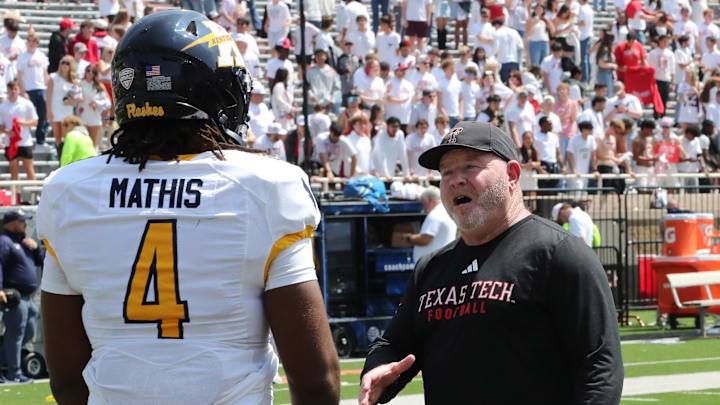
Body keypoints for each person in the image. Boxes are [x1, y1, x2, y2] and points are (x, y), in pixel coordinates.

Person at [38, 11, 340, 405]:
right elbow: (317, 380)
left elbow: (66, 380)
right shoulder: (267, 186)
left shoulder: (68, 191)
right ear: (212, 92)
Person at [359, 121, 623, 405]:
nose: (455, 179)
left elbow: (600, 368)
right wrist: (378, 368)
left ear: (512, 174)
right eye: (446, 172)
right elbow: (393, 344)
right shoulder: (431, 269)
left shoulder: (559, 254)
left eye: (471, 166)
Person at [0, 209, 44, 384]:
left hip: (29, 298)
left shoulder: (24, 242)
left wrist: (36, 249)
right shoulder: (4, 241)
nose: (25, 224)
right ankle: (14, 374)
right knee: (15, 335)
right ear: (12, 223)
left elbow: (41, 261)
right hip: (15, 297)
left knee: (28, 332)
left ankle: (6, 363)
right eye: (21, 221)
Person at [404, 186, 457, 263]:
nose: (424, 208)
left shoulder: (435, 214)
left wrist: (408, 238)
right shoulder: (446, 211)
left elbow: (425, 239)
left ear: (430, 200)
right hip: (442, 261)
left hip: (434, 264)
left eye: (424, 203)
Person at [0, 80, 38, 182]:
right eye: (11, 89)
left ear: (19, 90)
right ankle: (15, 196)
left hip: (25, 141)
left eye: (15, 89)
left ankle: (34, 195)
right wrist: (7, 131)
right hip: (10, 142)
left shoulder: (26, 103)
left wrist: (22, 124)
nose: (13, 91)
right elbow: (0, 126)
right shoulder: (3, 106)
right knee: (13, 170)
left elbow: (35, 121)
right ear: (7, 90)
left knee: (29, 169)